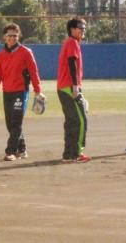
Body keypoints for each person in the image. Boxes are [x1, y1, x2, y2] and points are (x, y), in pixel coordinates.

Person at [0, 23, 43, 161]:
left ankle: (10, 152)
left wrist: (38, 90)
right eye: (9, 36)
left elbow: (33, 72)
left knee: (16, 122)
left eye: (15, 35)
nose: (12, 38)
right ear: (4, 37)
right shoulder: (0, 55)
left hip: (21, 92)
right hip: (7, 92)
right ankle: (22, 149)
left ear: (18, 36)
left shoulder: (26, 52)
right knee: (10, 124)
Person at [57, 17, 91, 163]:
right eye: (80, 28)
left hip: (65, 87)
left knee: (71, 121)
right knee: (80, 121)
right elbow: (72, 63)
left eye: (84, 28)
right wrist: (75, 86)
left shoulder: (71, 42)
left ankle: (68, 154)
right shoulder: (72, 42)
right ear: (72, 29)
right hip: (70, 87)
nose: (83, 30)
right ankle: (77, 153)